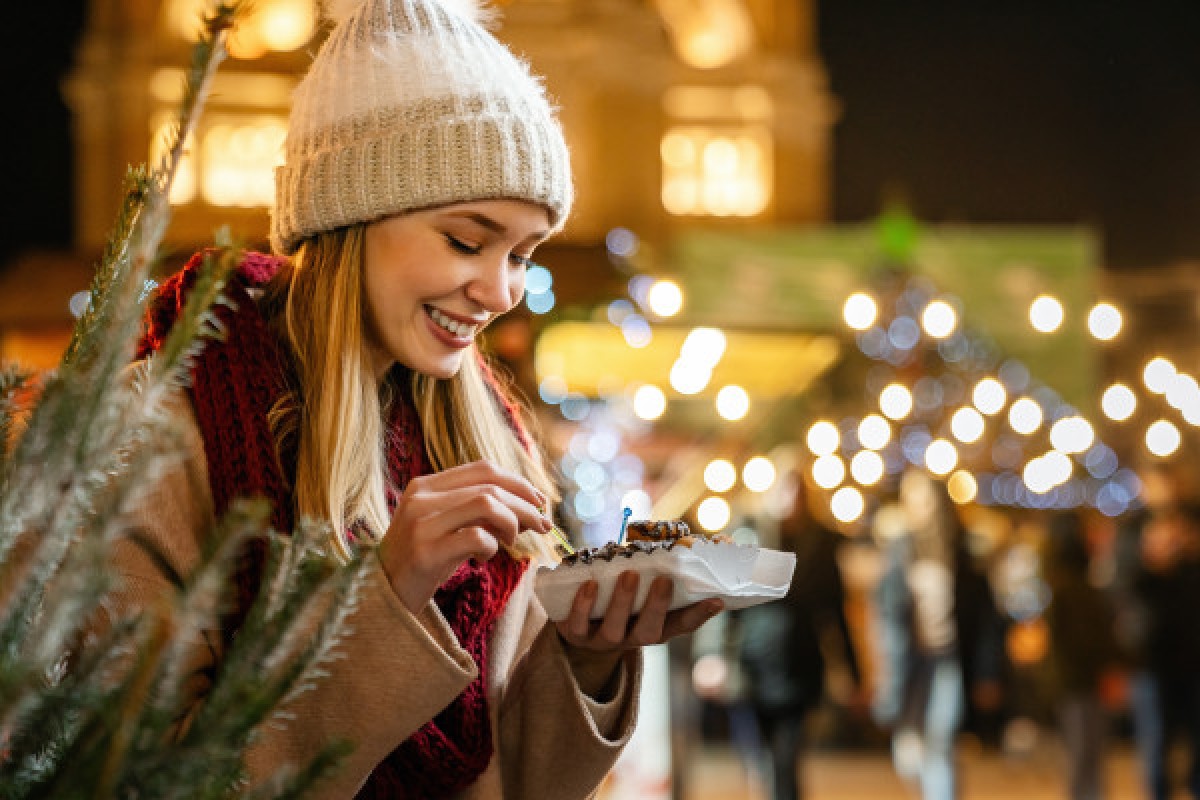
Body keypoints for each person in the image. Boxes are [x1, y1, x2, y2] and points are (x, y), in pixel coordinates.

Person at [114, 1, 723, 797]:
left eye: (522, 253)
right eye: (467, 241)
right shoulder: (159, 436)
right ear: (349, 215)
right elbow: (148, 778)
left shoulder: (484, 434)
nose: (500, 289)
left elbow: (518, 778)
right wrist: (384, 598)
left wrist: (589, 653)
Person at [872, 469, 1004, 800]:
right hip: (909, 661)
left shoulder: (963, 551)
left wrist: (988, 671)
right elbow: (884, 610)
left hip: (948, 658)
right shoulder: (899, 550)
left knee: (941, 741)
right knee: (909, 751)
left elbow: (987, 617)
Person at [733, 475, 863, 800]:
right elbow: (727, 603)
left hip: (800, 663)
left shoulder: (820, 544)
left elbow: (834, 611)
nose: (792, 498)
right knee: (759, 758)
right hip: (755, 663)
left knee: (788, 757)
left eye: (799, 491)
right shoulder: (750, 536)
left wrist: (853, 671)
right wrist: (713, 655)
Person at [1122, 499, 1200, 800]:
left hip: (1191, 669)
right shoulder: (1142, 578)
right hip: (1153, 671)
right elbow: (1139, 619)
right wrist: (1155, 566)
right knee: (1156, 742)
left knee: (1193, 738)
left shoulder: (1190, 573)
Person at [1041, 510, 1117, 800]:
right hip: (1079, 682)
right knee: (1084, 756)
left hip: (1079, 681)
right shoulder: (1071, 587)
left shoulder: (1067, 583)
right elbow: (1084, 639)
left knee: (1086, 756)